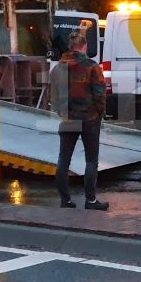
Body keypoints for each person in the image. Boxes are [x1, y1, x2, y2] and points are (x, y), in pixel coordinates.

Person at [50, 30, 109, 210]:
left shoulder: (57, 68)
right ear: (84, 46)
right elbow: (100, 94)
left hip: (68, 119)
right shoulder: (92, 66)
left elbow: (54, 97)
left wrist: (62, 112)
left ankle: (65, 200)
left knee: (63, 159)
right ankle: (90, 200)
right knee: (91, 160)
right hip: (89, 118)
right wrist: (100, 112)